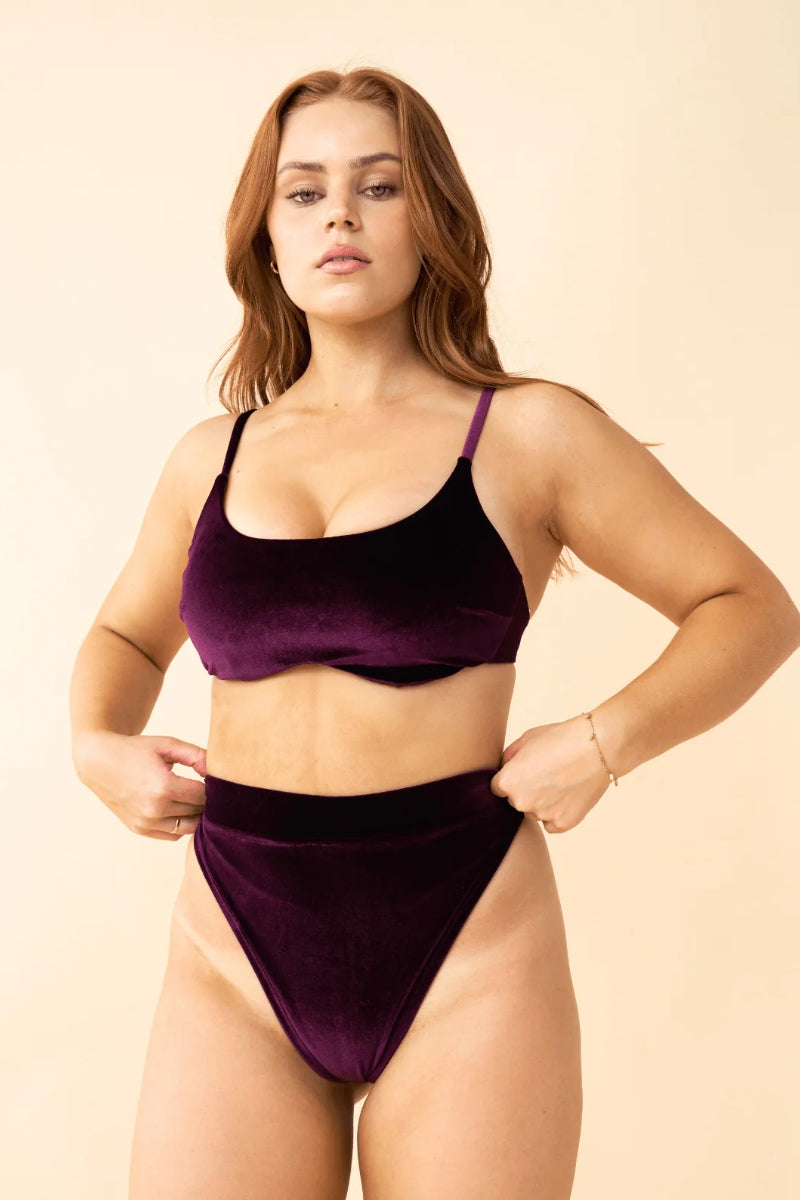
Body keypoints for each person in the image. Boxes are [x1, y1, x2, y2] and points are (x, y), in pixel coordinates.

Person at [69, 67, 800, 1200]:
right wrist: (96, 746)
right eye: (304, 192)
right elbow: (124, 634)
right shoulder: (209, 456)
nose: (340, 216)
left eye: (379, 186)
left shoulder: (528, 434)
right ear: (267, 236)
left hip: (465, 933)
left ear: (434, 221)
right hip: (232, 939)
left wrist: (602, 742)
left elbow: (749, 606)